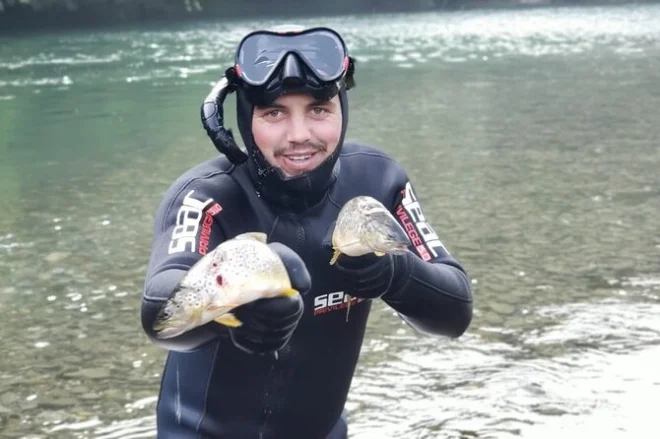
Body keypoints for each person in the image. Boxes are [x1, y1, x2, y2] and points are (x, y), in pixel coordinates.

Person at [141, 24, 473, 439]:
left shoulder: (378, 181)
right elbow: (159, 314)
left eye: (318, 109)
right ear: (242, 118)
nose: (299, 135)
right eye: (274, 113)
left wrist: (395, 274)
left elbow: (455, 313)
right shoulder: (207, 197)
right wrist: (235, 310)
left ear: (342, 110)